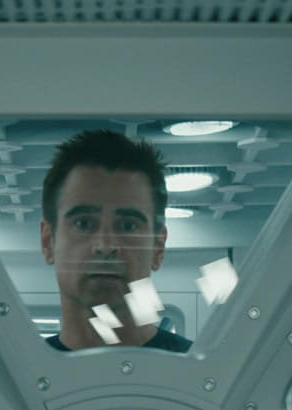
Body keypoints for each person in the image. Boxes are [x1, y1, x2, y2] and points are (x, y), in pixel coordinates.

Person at [40, 130, 192, 353]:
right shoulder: (16, 373)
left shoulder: (202, 370)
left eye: (128, 226)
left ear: (158, 247)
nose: (105, 246)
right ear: (48, 242)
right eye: (83, 223)